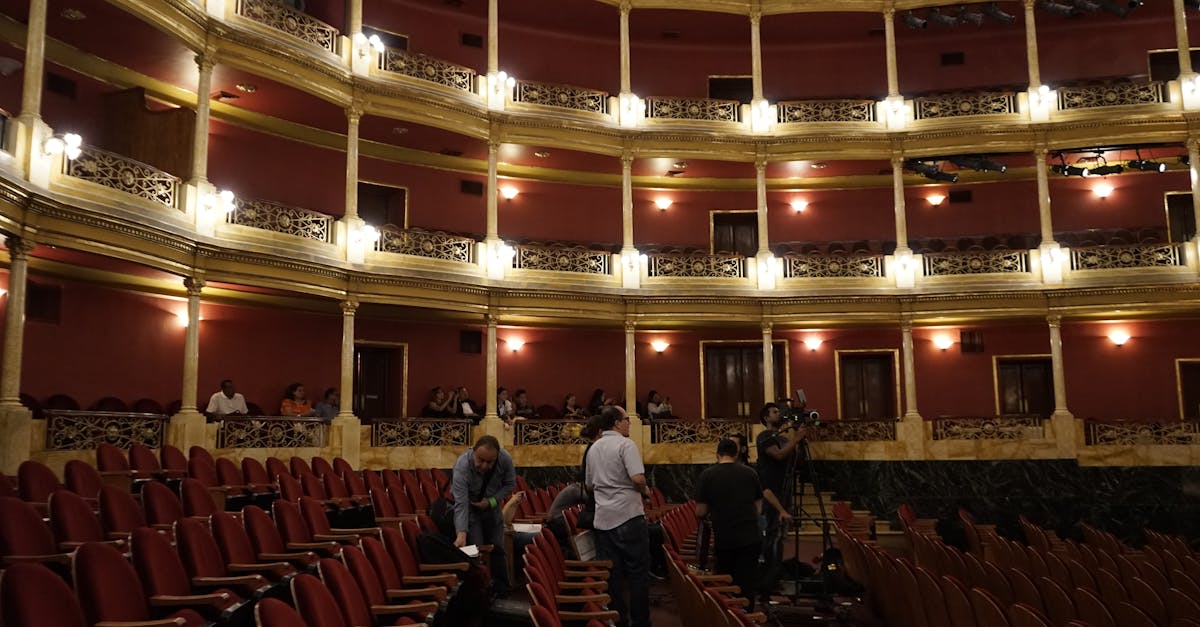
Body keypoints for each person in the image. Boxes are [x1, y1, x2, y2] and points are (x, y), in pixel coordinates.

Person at [585, 405, 651, 627]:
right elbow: (638, 478)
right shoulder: (626, 444)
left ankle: (618, 620)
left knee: (612, 575)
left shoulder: (593, 448)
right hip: (628, 516)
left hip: (603, 520)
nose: (629, 423)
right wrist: (645, 491)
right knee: (637, 573)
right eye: (627, 420)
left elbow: (589, 485)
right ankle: (640, 622)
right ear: (616, 423)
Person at [695, 438, 766, 610]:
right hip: (750, 536)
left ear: (717, 454)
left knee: (726, 582)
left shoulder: (707, 475)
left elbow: (700, 511)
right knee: (747, 583)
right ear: (736, 454)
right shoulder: (750, 473)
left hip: (725, 536)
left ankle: (729, 617)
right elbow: (758, 504)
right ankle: (748, 617)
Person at [451, 435, 516, 597]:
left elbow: (510, 484)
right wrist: (461, 532)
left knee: (498, 548)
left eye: (490, 462)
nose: (485, 466)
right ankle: (481, 594)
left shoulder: (505, 459)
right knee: (477, 550)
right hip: (470, 510)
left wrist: (492, 502)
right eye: (480, 460)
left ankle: (502, 590)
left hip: (492, 508)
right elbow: (461, 503)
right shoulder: (462, 465)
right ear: (473, 452)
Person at [756, 402, 806, 596]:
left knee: (781, 536)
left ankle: (776, 573)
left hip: (785, 491)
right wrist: (796, 439)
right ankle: (768, 575)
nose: (779, 414)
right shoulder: (765, 437)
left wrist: (797, 441)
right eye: (775, 412)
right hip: (772, 491)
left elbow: (796, 460)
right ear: (766, 417)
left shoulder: (783, 438)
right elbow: (777, 456)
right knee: (771, 534)